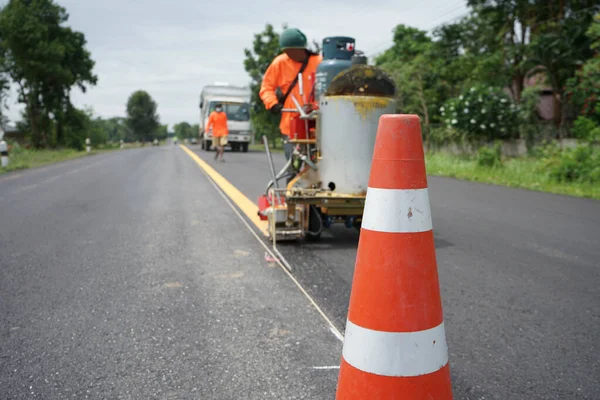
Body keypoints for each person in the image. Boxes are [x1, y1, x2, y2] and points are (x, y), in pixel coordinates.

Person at [259, 28, 322, 162]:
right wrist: (272, 103)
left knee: (319, 163)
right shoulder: (280, 62)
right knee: (292, 165)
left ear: (302, 49)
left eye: (292, 50)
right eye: (286, 51)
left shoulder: (319, 62)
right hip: (291, 124)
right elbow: (266, 87)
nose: (289, 54)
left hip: (316, 123)